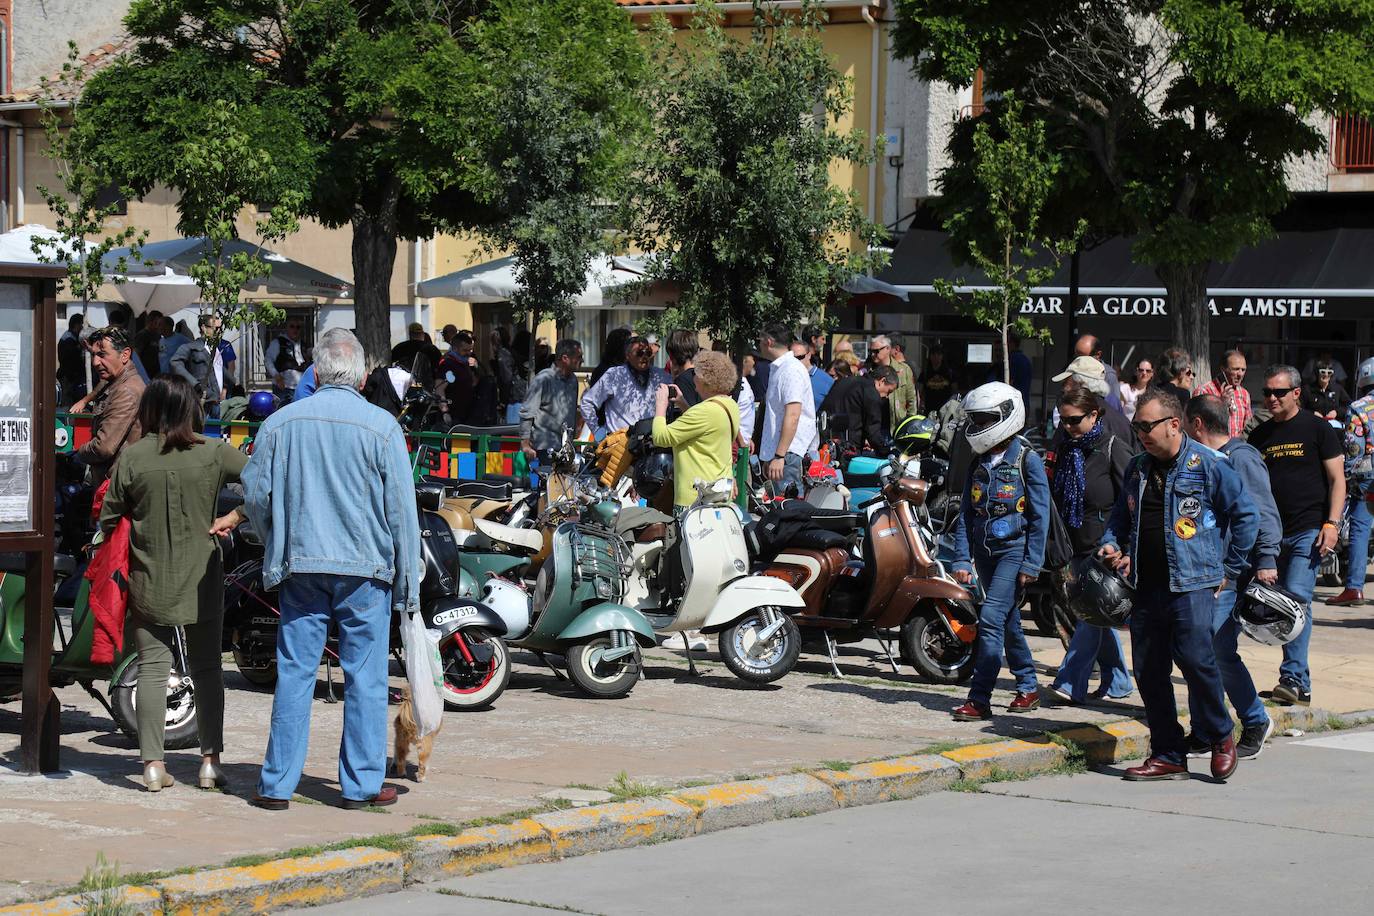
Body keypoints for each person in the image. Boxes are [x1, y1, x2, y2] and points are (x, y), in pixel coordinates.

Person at [239, 328, 420, 810]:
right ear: (362, 377)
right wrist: (408, 586)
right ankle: (360, 786)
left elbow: (254, 495)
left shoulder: (280, 423)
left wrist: (274, 537)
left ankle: (277, 784)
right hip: (365, 569)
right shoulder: (383, 427)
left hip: (300, 563)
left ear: (316, 374)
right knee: (365, 677)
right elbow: (402, 512)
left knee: (295, 672)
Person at [1099, 388, 1257, 781]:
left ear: (1174, 424)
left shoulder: (1209, 465)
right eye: (1137, 427)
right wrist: (1110, 542)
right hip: (1144, 586)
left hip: (1192, 584)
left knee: (1197, 660)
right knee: (1149, 672)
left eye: (1147, 426)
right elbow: (1120, 519)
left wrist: (1230, 569)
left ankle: (1221, 735)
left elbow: (1246, 516)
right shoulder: (1137, 467)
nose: (1141, 434)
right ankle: (1168, 753)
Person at [101, 376, 247, 792]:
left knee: (152, 670)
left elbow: (108, 518)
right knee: (206, 668)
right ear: (191, 409)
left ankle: (151, 765)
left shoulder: (133, 456)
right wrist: (234, 517)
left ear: (150, 410)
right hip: (203, 577)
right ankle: (209, 762)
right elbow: (266, 483)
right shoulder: (215, 451)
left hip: (150, 578)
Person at [1184, 394, 1279, 759]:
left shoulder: (1241, 458)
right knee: (1197, 649)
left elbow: (1262, 512)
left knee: (1217, 649)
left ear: (1196, 424)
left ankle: (1254, 719)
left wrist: (1267, 559)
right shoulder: (1201, 460)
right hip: (1205, 571)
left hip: (1234, 573)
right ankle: (1205, 730)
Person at [949, 382, 1048, 720]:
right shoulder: (977, 462)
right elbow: (965, 513)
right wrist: (962, 557)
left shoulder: (1027, 459)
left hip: (1013, 552)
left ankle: (979, 699)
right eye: (974, 421)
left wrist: (1032, 563)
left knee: (991, 618)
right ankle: (1028, 686)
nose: (977, 427)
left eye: (984, 419)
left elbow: (1040, 516)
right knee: (1007, 621)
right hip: (985, 553)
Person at [1247, 365, 1345, 707]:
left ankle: (1291, 677)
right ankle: (1298, 684)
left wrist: (1332, 524)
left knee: (1296, 599)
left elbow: (1337, 480)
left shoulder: (1317, 428)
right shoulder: (1258, 437)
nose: (1271, 399)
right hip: (1271, 534)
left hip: (1308, 530)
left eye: (1278, 393)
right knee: (1274, 604)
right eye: (1267, 393)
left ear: (1296, 393)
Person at [1046, 389, 1134, 704]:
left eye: (1074, 420)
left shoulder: (1113, 449)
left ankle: (1070, 681)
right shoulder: (1066, 449)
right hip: (1074, 545)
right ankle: (1119, 681)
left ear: (1094, 415)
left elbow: (1132, 502)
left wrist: (1123, 546)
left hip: (1105, 548)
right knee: (1096, 616)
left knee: (1091, 614)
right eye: (1063, 420)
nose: (1068, 426)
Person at [652, 350, 741, 512]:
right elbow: (705, 429)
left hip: (694, 501)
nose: (693, 377)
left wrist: (660, 406)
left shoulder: (703, 411)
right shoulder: (730, 406)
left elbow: (660, 437)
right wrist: (682, 403)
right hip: (719, 494)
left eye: (695, 373)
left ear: (704, 380)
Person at [77, 326, 147, 484]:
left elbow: (104, 447)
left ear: (125, 355)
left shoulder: (126, 391)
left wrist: (78, 452)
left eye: (102, 355)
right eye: (93, 355)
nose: (95, 362)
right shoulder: (116, 383)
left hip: (116, 489)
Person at [1331, 358, 1374, 607]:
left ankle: (1354, 588)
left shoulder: (1359, 407)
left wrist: (1346, 474)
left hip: (1368, 476)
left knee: (1360, 528)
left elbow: (1353, 448)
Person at [758, 324, 817, 497]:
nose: (758, 345)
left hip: (788, 453)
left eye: (760, 341)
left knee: (789, 511)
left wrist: (779, 456)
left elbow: (793, 415)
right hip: (783, 452)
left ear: (768, 342)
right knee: (780, 510)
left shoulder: (790, 369)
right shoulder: (781, 368)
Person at [579, 335, 669, 438]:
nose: (644, 357)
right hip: (620, 445)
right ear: (627, 355)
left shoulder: (661, 376)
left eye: (647, 353)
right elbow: (587, 402)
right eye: (639, 353)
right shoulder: (614, 375)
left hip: (652, 444)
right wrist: (597, 431)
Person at [520, 339, 583, 462]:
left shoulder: (573, 380)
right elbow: (527, 413)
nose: (582, 361)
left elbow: (571, 412)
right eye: (579, 357)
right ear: (565, 358)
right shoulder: (543, 379)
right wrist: (525, 445)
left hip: (565, 447)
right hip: (544, 447)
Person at [1050, 356, 1132, 440]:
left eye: (1066, 382)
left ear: (1080, 384)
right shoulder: (1122, 422)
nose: (1064, 388)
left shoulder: (1073, 416)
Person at [819, 365, 897, 454]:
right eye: (889, 391)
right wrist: (885, 452)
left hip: (826, 442)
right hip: (849, 448)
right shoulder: (871, 393)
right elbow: (873, 431)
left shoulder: (845, 381)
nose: (887, 396)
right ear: (882, 381)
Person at [170, 313, 227, 417]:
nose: (219, 332)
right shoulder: (192, 347)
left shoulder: (215, 349)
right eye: (216, 328)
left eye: (220, 329)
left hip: (216, 402)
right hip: (201, 400)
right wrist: (195, 384)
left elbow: (219, 370)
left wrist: (230, 385)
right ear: (204, 328)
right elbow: (175, 362)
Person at [1193, 350, 1252, 437]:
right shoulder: (1204, 391)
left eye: (1243, 370)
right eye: (1235, 369)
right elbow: (1198, 426)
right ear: (1223, 369)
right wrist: (1222, 404)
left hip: (1236, 446)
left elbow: (1248, 425)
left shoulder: (1244, 394)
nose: (1240, 374)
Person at [868, 334, 915, 430]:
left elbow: (911, 400)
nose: (872, 354)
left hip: (896, 426)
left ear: (888, 349)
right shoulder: (866, 371)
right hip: (874, 426)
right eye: (870, 351)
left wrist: (910, 425)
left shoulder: (904, 370)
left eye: (876, 351)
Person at [1074, 334, 1121, 412]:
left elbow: (1114, 408)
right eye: (1076, 355)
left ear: (1098, 355)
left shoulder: (1108, 375)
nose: (1079, 360)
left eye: (1083, 357)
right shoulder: (1073, 369)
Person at [390, 322, 442, 390]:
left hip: (403, 384)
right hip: (426, 385)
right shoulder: (432, 349)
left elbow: (392, 365)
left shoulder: (400, 347)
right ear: (423, 334)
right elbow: (438, 367)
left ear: (410, 334)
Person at [265, 318, 308, 394]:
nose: (295, 329)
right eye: (292, 326)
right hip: (284, 388)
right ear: (286, 328)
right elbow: (268, 360)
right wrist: (276, 376)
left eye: (298, 327)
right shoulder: (278, 342)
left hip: (300, 388)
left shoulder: (303, 345)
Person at [1302, 358, 1349, 423]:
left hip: (1333, 425)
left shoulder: (1337, 388)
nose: (1326, 375)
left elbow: (1348, 405)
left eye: (1329, 372)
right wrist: (1312, 413)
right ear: (1317, 373)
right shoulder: (1307, 389)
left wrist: (1336, 412)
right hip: (1312, 424)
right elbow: (1299, 408)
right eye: (1323, 372)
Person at [57, 313, 87, 406]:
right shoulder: (68, 340)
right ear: (76, 325)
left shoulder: (73, 338)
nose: (83, 328)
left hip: (71, 377)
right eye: (82, 324)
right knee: (68, 402)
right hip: (68, 378)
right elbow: (71, 360)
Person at [918, 345, 956, 412]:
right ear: (930, 356)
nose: (936, 357)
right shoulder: (925, 373)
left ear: (942, 356)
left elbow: (954, 391)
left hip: (946, 409)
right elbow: (919, 391)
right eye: (933, 354)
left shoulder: (949, 373)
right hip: (929, 409)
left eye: (938, 354)